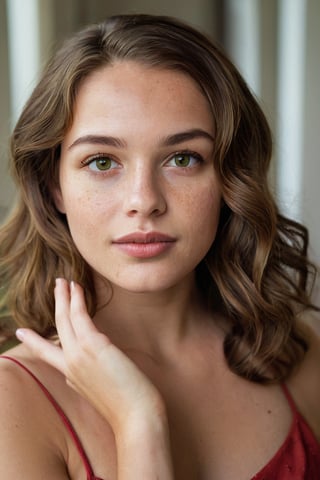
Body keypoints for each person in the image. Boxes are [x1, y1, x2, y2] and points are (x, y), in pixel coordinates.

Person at [0, 13, 319, 480]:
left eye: (182, 158)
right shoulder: (14, 400)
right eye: (102, 161)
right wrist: (138, 423)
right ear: (54, 187)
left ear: (230, 178)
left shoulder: (298, 352)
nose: (144, 201)